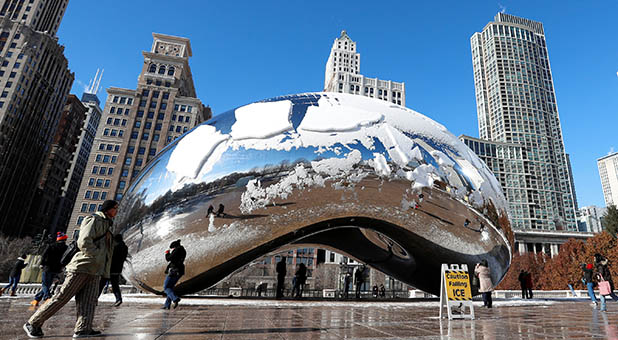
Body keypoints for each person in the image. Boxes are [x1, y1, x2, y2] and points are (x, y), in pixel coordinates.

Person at [23, 200, 117, 339]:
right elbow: (84, 241)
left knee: (89, 301)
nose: (117, 210)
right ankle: (33, 323)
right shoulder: (93, 219)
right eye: (115, 208)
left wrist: (104, 269)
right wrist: (96, 255)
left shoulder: (107, 225)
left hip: (95, 270)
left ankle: (83, 329)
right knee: (62, 297)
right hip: (81, 266)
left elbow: (107, 251)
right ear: (108, 209)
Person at [31, 232, 69, 307]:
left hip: (47, 267)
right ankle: (36, 299)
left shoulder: (51, 246)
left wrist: (41, 264)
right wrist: (62, 267)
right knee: (48, 285)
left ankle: (47, 297)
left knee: (45, 284)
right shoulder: (66, 248)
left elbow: (44, 255)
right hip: (57, 269)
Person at [98, 234, 128, 307]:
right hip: (117, 269)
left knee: (101, 284)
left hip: (109, 269)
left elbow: (109, 257)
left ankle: (94, 299)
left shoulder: (114, 247)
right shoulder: (125, 247)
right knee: (115, 286)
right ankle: (119, 299)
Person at [162, 239, 186, 310]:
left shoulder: (177, 250)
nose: (172, 249)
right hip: (180, 271)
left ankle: (175, 299)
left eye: (172, 248)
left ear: (174, 246)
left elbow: (168, 259)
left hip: (174, 270)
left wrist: (167, 253)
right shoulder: (183, 251)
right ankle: (167, 305)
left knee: (166, 287)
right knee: (170, 287)